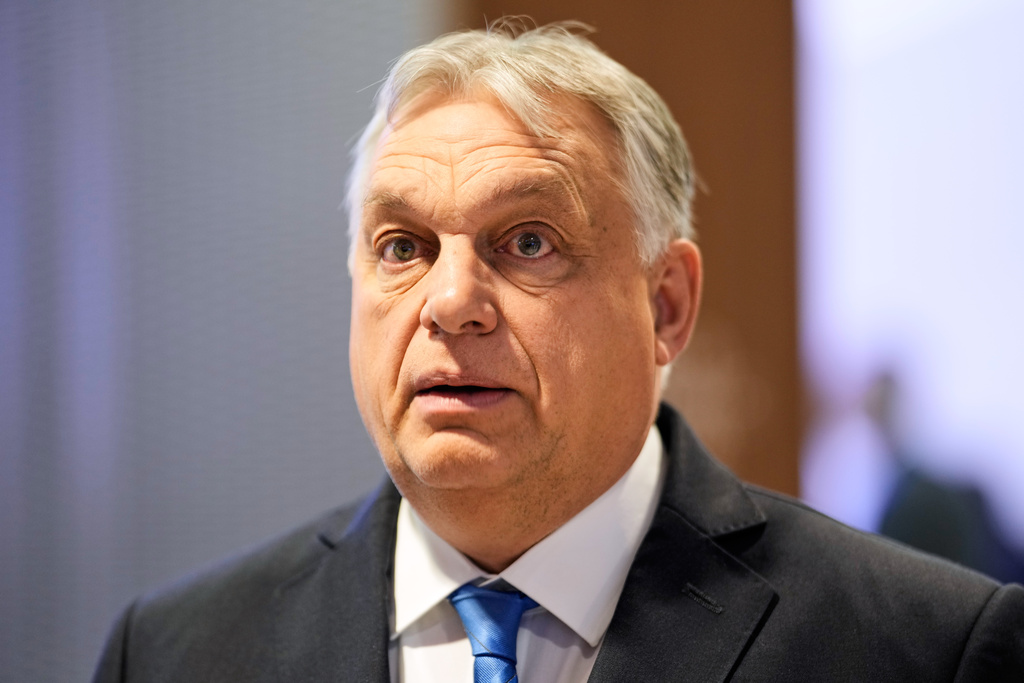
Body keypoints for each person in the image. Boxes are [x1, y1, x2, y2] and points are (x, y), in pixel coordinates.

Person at [93, 22, 1024, 682]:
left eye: (528, 241)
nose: (449, 303)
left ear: (666, 305)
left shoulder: (925, 647)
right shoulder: (176, 651)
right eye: (402, 247)